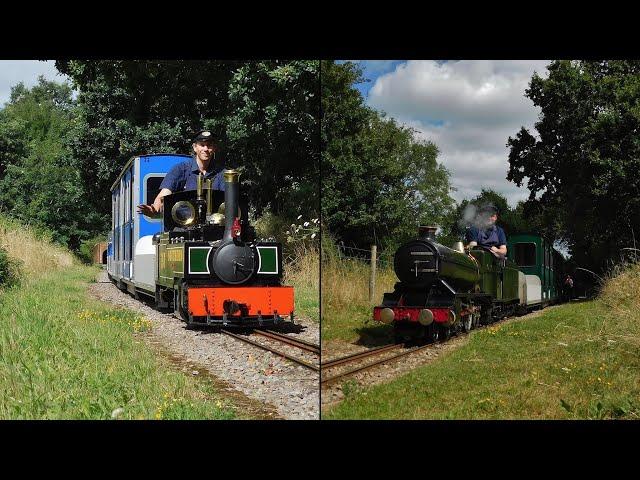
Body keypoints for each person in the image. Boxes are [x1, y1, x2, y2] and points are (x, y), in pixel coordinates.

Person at [137, 130, 225, 218]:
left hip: (213, 227)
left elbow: (228, 202)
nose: (205, 149)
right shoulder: (180, 169)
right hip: (183, 227)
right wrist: (154, 210)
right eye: (202, 145)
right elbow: (164, 195)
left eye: (209, 145)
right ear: (194, 147)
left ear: (214, 148)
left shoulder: (222, 173)